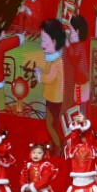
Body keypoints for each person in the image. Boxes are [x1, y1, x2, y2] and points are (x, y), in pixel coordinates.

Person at [38, 19, 69, 150]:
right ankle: (55, 145)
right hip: (54, 97)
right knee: (53, 125)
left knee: (50, 124)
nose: (42, 44)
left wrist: (39, 75)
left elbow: (49, 78)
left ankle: (59, 145)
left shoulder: (57, 61)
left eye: (45, 40)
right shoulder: (53, 58)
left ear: (54, 42)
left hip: (54, 99)